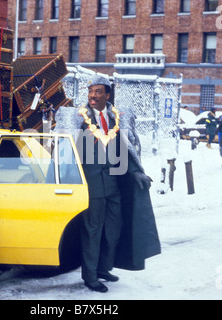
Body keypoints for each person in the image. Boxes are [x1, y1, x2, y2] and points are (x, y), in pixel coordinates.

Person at [55, 74, 161, 293]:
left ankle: (103, 268)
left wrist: (135, 173)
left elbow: (123, 150)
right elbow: (68, 153)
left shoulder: (115, 119)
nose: (93, 96)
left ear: (108, 94)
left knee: (113, 229)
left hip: (113, 184)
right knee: (92, 231)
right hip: (91, 185)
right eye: (90, 91)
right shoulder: (79, 119)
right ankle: (90, 276)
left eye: (98, 92)